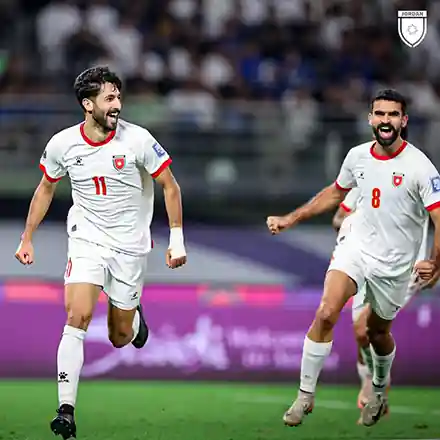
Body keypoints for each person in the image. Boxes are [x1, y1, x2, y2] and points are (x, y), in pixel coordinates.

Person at [14, 66, 187, 440]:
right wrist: (27, 237)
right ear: (87, 104)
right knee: (77, 315)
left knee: (119, 336)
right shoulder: (63, 144)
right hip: (86, 238)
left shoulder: (138, 140)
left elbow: (169, 186)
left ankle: (134, 318)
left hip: (130, 246)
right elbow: (46, 188)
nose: (117, 105)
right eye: (109, 98)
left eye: (119, 98)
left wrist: (176, 239)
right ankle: (66, 411)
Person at [266, 89, 440, 427]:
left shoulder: (420, 167)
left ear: (403, 121)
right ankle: (305, 396)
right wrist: (291, 218)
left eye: (392, 115)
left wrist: (436, 262)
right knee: (327, 311)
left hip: (396, 263)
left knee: (374, 333)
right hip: (356, 247)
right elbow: (335, 194)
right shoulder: (357, 156)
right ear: (370, 119)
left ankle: (377, 388)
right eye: (380, 114)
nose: (385, 120)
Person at [332, 187, 437, 423]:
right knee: (361, 335)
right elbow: (338, 219)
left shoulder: (415, 177)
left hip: (405, 268)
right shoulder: (360, 184)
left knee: (364, 328)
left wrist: (435, 263)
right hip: (366, 267)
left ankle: (376, 388)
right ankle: (377, 389)